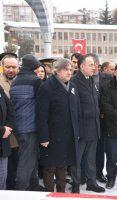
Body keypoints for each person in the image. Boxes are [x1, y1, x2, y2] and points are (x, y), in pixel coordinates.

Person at [36, 58, 80, 192]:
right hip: (52, 135)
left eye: (71, 70)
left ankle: (61, 193)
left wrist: (77, 131)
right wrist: (43, 137)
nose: (69, 72)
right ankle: (49, 193)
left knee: (63, 165)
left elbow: (76, 110)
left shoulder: (71, 86)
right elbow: (41, 114)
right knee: (50, 167)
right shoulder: (47, 87)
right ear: (57, 71)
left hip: (68, 134)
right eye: (65, 69)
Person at [70, 55, 104, 193]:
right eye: (90, 65)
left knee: (91, 158)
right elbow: (73, 108)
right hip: (81, 128)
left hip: (93, 127)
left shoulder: (91, 80)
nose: (94, 67)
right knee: (77, 158)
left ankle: (91, 182)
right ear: (81, 66)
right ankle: (76, 184)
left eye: (94, 65)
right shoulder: (74, 81)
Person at [10, 54, 44, 191]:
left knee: (29, 157)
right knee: (26, 161)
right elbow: (41, 105)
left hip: (18, 126)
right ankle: (21, 190)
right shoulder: (35, 81)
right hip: (30, 127)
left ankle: (34, 185)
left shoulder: (16, 80)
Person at [0, 53, 19, 190]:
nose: (11, 70)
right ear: (2, 67)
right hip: (5, 133)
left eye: (13, 67)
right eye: (7, 67)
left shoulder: (22, 80)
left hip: (16, 128)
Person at [0, 85, 14, 190]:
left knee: (2, 181)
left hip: (3, 143)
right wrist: (2, 130)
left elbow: (10, 109)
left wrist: (8, 127)